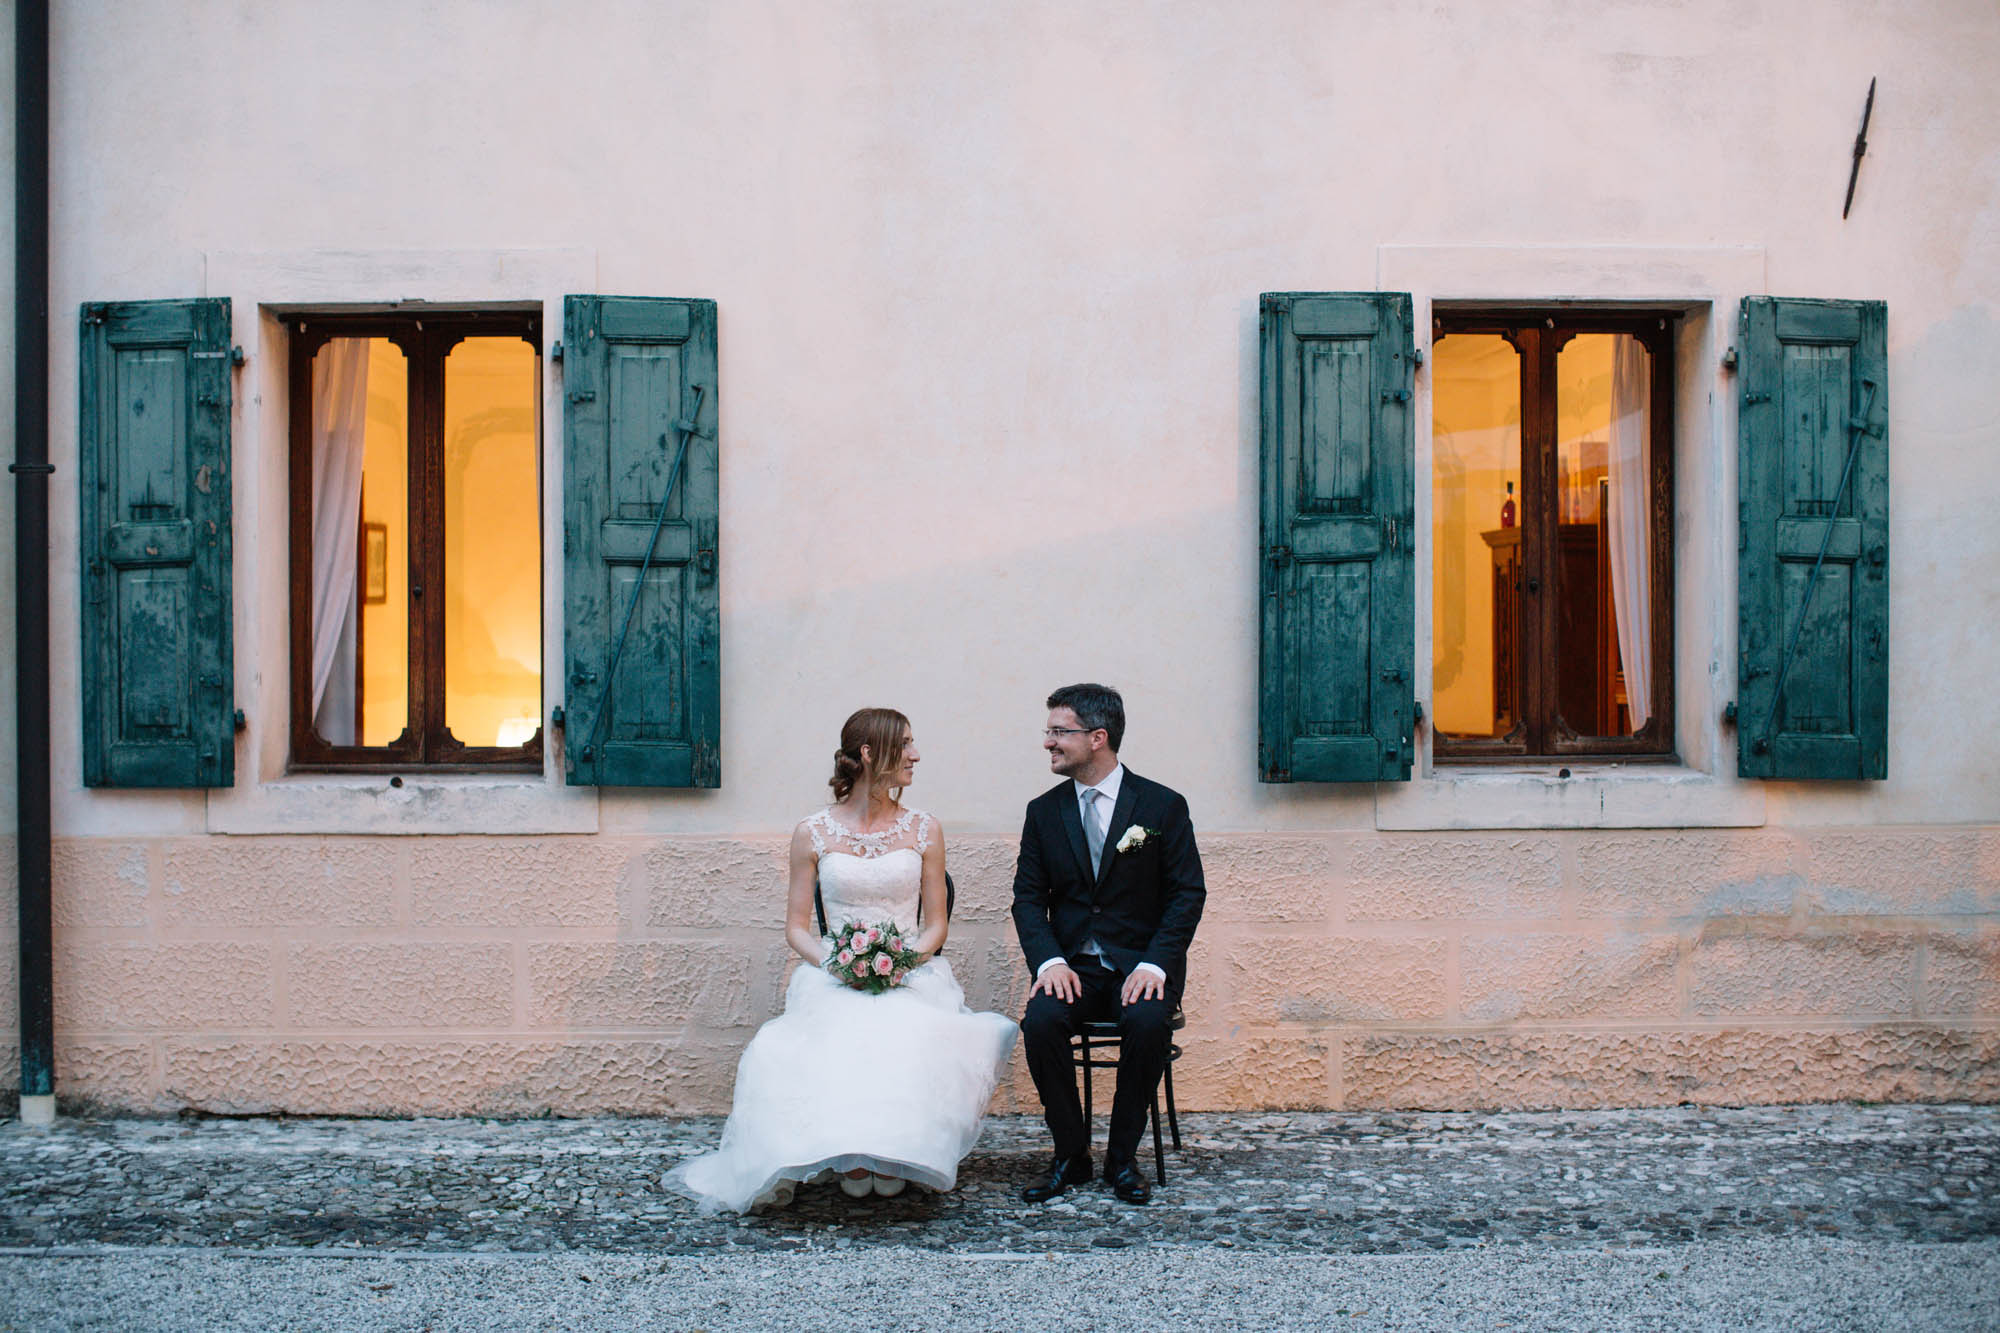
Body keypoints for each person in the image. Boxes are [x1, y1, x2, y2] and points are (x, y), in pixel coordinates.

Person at [667, 708, 1018, 1213]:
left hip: (907, 970)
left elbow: (936, 926)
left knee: (908, 1029)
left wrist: (900, 962)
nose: (916, 755)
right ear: (870, 754)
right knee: (814, 1036)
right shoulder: (812, 832)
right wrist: (838, 964)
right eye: (906, 744)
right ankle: (849, 1156)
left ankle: (895, 1152)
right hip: (834, 970)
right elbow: (796, 928)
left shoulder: (925, 829)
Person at [1012, 683, 1205, 1206]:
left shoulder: (1162, 806)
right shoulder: (1043, 812)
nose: (1048, 742)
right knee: (1040, 1023)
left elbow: (1187, 894)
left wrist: (1156, 965)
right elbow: (1027, 899)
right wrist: (1049, 962)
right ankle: (1071, 1154)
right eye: (1049, 731)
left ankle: (1122, 1158)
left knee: (1146, 1022)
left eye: (1059, 732)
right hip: (1073, 968)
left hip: (1141, 968)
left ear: (1097, 738)